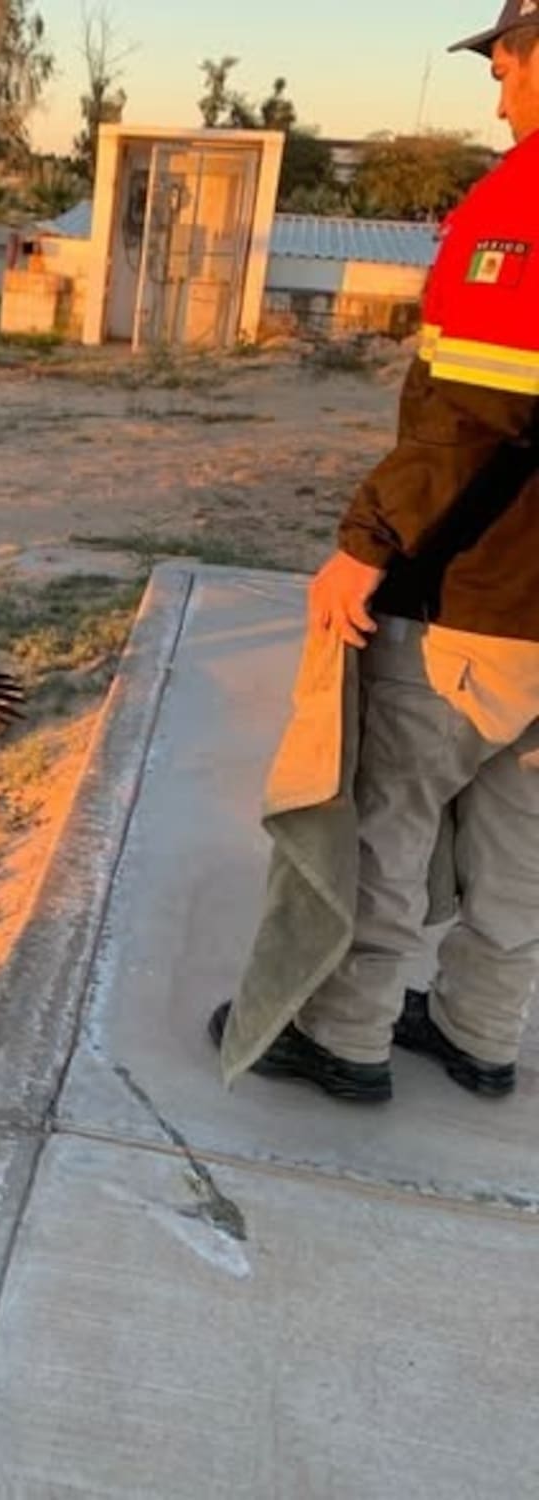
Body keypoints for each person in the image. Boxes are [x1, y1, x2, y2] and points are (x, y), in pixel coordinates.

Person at [212, 1, 539, 1103]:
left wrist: (366, 545)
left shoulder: (523, 203)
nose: (498, 94)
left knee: (388, 824)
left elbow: (476, 417)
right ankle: (480, 1031)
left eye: (502, 64)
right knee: (521, 850)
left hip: (479, 601)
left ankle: (345, 1034)